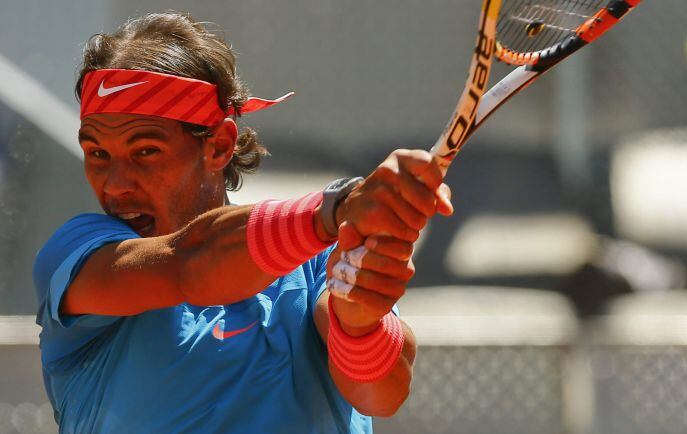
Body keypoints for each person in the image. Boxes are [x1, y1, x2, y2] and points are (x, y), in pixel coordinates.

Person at [33, 12, 452, 434]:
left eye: (145, 152)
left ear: (218, 146)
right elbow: (191, 261)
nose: (116, 184)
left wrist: (358, 320)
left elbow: (380, 395)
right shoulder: (77, 255)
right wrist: (335, 210)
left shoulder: (321, 256)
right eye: (97, 154)